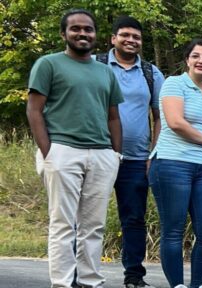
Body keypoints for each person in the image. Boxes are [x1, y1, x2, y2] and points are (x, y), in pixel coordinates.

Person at [27, 9, 124, 288]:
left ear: (96, 35)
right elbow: (34, 110)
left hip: (102, 154)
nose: (83, 34)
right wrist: (49, 153)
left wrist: (116, 154)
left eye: (88, 29)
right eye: (76, 29)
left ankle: (91, 281)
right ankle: (62, 282)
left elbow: (113, 116)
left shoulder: (105, 71)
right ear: (64, 34)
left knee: (94, 225)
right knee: (62, 224)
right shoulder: (48, 64)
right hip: (63, 150)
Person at [148, 39, 202, 288]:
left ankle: (198, 284)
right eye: (196, 56)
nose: (201, 61)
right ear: (187, 60)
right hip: (171, 163)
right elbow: (175, 122)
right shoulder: (174, 84)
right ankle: (177, 285)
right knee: (173, 230)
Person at [99, 15, 165, 288]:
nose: (131, 40)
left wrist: (153, 153)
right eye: (125, 35)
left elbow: (160, 116)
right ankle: (79, 275)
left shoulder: (151, 73)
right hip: (98, 155)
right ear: (113, 38)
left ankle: (134, 277)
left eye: (136, 37)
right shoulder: (96, 66)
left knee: (134, 219)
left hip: (137, 159)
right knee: (89, 218)